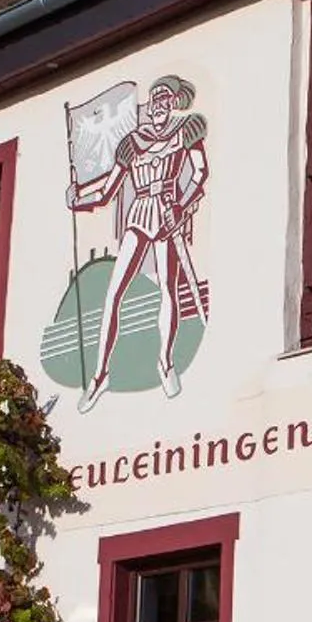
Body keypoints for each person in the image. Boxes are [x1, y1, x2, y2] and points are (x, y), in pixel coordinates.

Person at [74, 76, 209, 411]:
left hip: (167, 211)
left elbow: (200, 173)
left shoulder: (185, 131)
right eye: (156, 98)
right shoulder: (133, 142)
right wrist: (77, 199)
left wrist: (181, 205)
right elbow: (108, 191)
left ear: (175, 103)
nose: (159, 104)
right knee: (114, 291)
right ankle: (100, 373)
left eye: (165, 98)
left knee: (168, 286)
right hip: (140, 213)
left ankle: (165, 361)